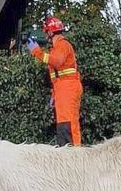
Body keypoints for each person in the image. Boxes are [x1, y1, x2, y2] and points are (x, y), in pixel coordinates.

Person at [26, 16, 83, 147]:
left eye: (46, 32)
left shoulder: (63, 45)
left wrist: (36, 51)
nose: (45, 35)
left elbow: (56, 61)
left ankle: (73, 156)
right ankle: (67, 153)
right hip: (63, 88)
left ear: (51, 32)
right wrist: (54, 94)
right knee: (65, 123)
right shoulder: (58, 47)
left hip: (68, 88)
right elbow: (58, 75)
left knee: (68, 124)